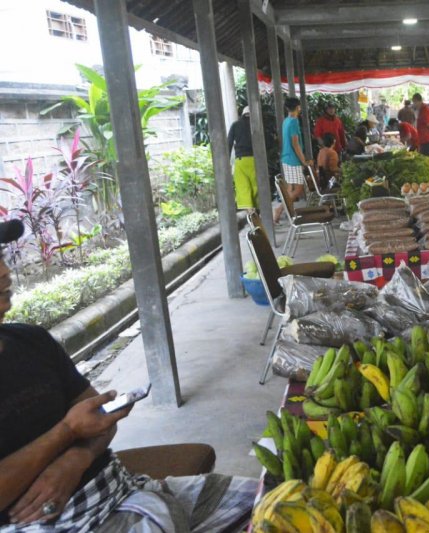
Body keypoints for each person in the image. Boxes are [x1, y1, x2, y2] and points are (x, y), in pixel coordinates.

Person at [0, 219, 258, 532]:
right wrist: (66, 431)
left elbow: (98, 419)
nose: (4, 271)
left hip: (126, 490)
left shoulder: (32, 340)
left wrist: (76, 459)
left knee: (282, 503)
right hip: (60, 524)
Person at [274, 96, 313, 224]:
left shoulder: (286, 121)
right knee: (298, 189)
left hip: (286, 157)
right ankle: (279, 210)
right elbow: (295, 144)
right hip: (292, 159)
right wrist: (304, 161)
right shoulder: (294, 121)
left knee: (290, 189)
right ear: (298, 107)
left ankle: (288, 213)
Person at [227, 106, 257, 211]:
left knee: (243, 187)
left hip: (241, 161)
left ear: (242, 114)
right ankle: (259, 214)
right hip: (255, 160)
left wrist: (227, 162)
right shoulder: (256, 124)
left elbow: (229, 143)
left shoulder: (235, 125)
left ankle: (251, 214)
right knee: (256, 187)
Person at [412, 93, 429, 159]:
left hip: (427, 139)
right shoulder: (423, 109)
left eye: (414, 102)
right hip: (424, 139)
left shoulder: (425, 109)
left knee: (428, 158)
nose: (413, 104)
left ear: (418, 101)